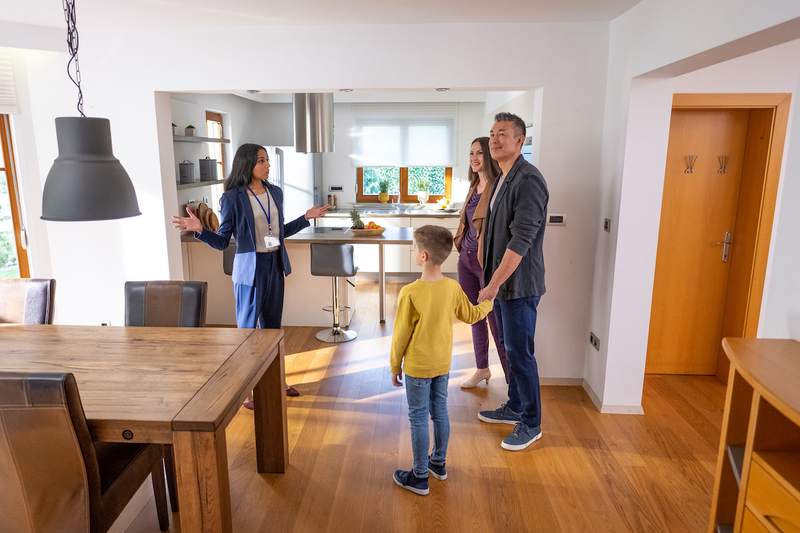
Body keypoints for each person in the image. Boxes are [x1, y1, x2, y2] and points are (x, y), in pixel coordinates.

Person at [171, 143, 329, 404]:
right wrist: (200, 229)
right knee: (247, 333)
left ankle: (277, 382)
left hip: (275, 266)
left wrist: (306, 217)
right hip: (249, 270)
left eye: (267, 160)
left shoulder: (275, 193)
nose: (267, 165)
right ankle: (247, 391)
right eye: (261, 161)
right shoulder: (232, 197)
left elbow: (279, 232)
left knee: (272, 330)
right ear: (247, 164)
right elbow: (223, 242)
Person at [390, 225, 493, 495]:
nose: (413, 252)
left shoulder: (410, 292)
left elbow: (401, 335)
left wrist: (393, 366)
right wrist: (488, 303)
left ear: (423, 256)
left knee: (418, 417)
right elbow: (472, 316)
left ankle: (420, 476)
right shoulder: (453, 287)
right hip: (442, 365)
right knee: (440, 412)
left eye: (414, 248)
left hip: (417, 367)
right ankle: (438, 463)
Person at [477, 112, 549, 452]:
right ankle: (515, 405)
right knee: (508, 348)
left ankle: (531, 422)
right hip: (504, 286)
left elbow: (521, 242)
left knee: (521, 354)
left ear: (520, 140)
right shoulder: (504, 178)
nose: (494, 139)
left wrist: (492, 285)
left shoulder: (528, 180)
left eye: (502, 133)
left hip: (518, 287)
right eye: (492, 133)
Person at [453, 136, 509, 388]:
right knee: (474, 317)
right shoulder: (473, 185)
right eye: (471, 153)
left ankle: (512, 384)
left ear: (490, 155)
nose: (474, 158)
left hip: (486, 265)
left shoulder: (499, 187)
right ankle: (482, 368)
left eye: (480, 153)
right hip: (465, 261)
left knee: (497, 324)